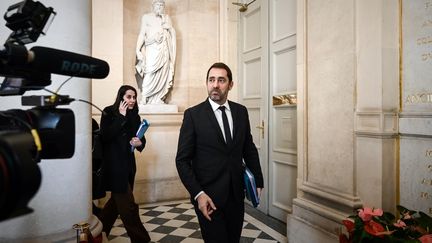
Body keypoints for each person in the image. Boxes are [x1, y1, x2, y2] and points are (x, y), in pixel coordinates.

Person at [175, 62, 264, 243]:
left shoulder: (241, 111)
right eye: (211, 80)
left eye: (221, 80)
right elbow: (182, 161)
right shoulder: (193, 115)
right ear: (207, 83)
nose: (215, 85)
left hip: (236, 195)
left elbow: (248, 147)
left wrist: (258, 179)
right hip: (208, 198)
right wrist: (198, 194)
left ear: (230, 85)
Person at [99, 85, 150, 243]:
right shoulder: (108, 112)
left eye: (134, 97)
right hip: (114, 167)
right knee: (129, 207)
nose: (132, 100)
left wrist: (139, 142)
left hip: (128, 167)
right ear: (121, 97)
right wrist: (121, 117)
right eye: (129, 97)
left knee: (115, 205)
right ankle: (142, 240)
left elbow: (141, 139)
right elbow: (105, 136)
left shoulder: (135, 115)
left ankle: (98, 232)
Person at [135, 0, 176, 105]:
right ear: (153, 6)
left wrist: (169, 28)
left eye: (162, 5)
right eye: (158, 4)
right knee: (149, 71)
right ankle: (145, 96)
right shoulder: (146, 17)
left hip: (164, 49)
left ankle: (159, 98)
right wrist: (137, 49)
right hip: (151, 49)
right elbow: (142, 34)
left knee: (163, 73)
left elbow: (171, 32)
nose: (160, 6)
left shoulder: (166, 18)